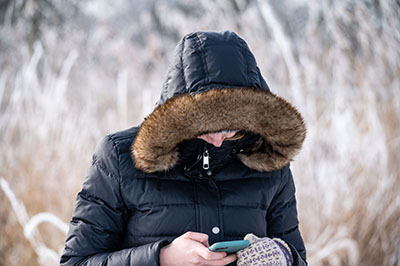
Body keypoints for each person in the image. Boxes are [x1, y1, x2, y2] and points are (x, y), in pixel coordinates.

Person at [60, 31, 307, 266]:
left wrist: (283, 256)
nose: (219, 140)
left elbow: (298, 258)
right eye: (208, 126)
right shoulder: (118, 156)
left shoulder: (270, 164)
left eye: (231, 128)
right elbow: (77, 261)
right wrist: (162, 257)